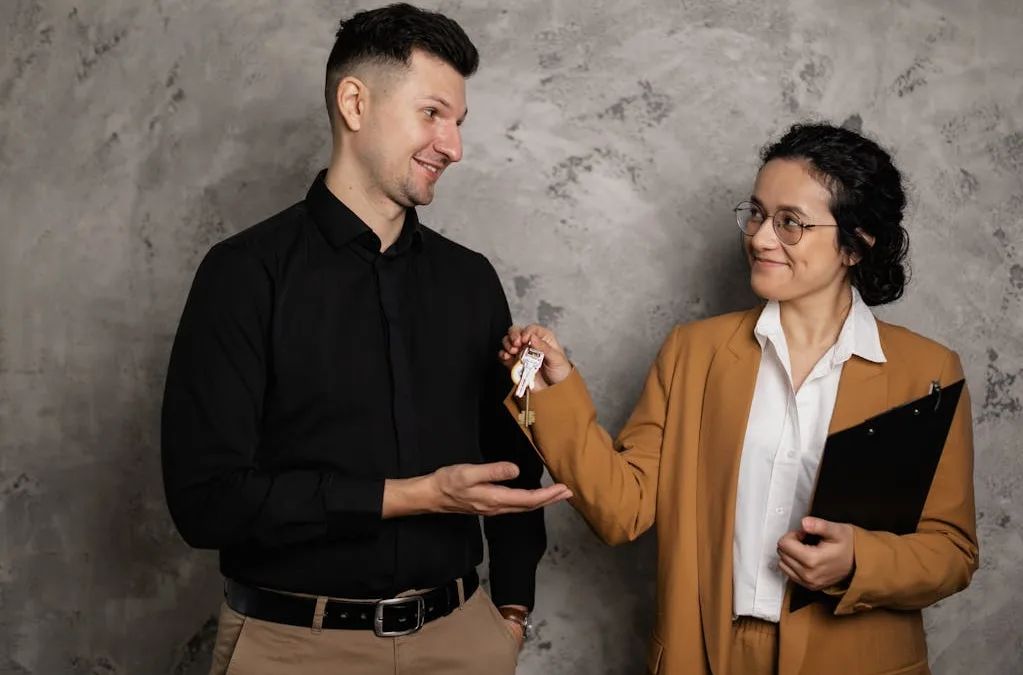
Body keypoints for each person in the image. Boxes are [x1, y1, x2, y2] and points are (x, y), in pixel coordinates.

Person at [160, 4, 572, 674]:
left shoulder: (472, 281)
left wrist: (513, 612)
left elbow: (513, 449)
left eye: (459, 123)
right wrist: (417, 494)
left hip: (465, 640)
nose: (454, 146)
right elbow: (206, 502)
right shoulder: (242, 275)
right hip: (295, 646)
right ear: (355, 103)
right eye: (432, 113)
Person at [499, 123, 978, 675]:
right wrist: (548, 391)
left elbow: (951, 550)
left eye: (790, 223)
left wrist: (859, 561)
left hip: (852, 655)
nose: (760, 237)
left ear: (857, 241)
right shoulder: (692, 352)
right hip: (704, 654)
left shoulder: (926, 372)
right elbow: (621, 511)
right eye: (756, 213)